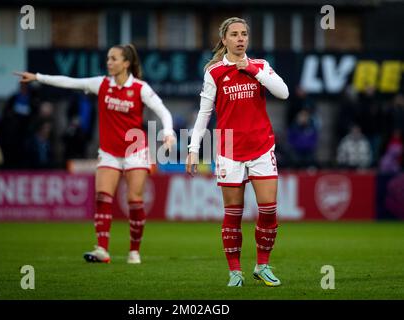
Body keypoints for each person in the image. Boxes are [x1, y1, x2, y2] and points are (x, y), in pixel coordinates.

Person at [15, 44, 175, 264]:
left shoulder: (140, 88)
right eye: (108, 58)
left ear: (126, 63)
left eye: (114, 58)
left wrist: (167, 132)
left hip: (135, 150)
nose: (109, 62)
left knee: (134, 200)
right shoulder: (101, 84)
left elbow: (163, 111)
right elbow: (70, 82)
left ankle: (134, 251)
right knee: (102, 198)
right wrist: (38, 77)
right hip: (109, 151)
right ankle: (102, 249)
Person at [186, 17, 289, 287]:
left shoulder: (261, 66)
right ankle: (235, 272)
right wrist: (193, 149)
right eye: (234, 34)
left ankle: (262, 266)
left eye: (244, 34)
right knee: (233, 212)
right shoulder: (215, 72)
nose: (241, 38)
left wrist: (254, 70)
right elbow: (204, 114)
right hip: (229, 150)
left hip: (261, 146)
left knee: (269, 211)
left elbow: (284, 93)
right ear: (225, 40)